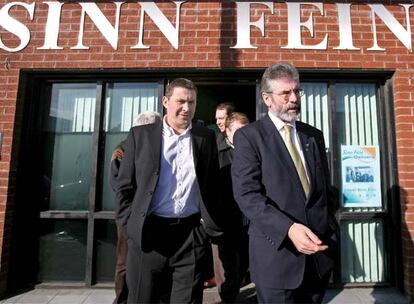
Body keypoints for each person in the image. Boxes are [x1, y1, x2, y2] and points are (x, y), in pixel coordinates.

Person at [231, 63, 338, 303]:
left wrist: (331, 229)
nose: (294, 99)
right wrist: (288, 229)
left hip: (318, 259)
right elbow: (247, 195)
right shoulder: (250, 137)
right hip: (277, 259)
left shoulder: (313, 135)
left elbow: (323, 189)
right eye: (285, 94)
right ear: (267, 98)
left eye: (297, 91)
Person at [114, 78, 222, 303]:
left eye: (191, 102)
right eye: (180, 101)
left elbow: (212, 185)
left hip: (190, 236)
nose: (186, 108)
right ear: (165, 101)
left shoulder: (206, 137)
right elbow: (125, 186)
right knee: (143, 299)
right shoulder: (140, 135)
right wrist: (131, 225)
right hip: (149, 236)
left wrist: (204, 229)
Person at [109, 111, 162, 304]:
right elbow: (119, 185)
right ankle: (122, 300)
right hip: (130, 217)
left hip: (153, 216)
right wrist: (127, 217)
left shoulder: (159, 149)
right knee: (125, 261)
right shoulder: (123, 149)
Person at [213, 112, 250, 303]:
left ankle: (235, 290)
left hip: (248, 219)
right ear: (227, 131)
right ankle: (227, 298)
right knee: (226, 265)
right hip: (225, 218)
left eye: (246, 130)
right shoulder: (216, 153)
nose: (243, 135)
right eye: (238, 131)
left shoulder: (253, 151)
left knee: (243, 261)